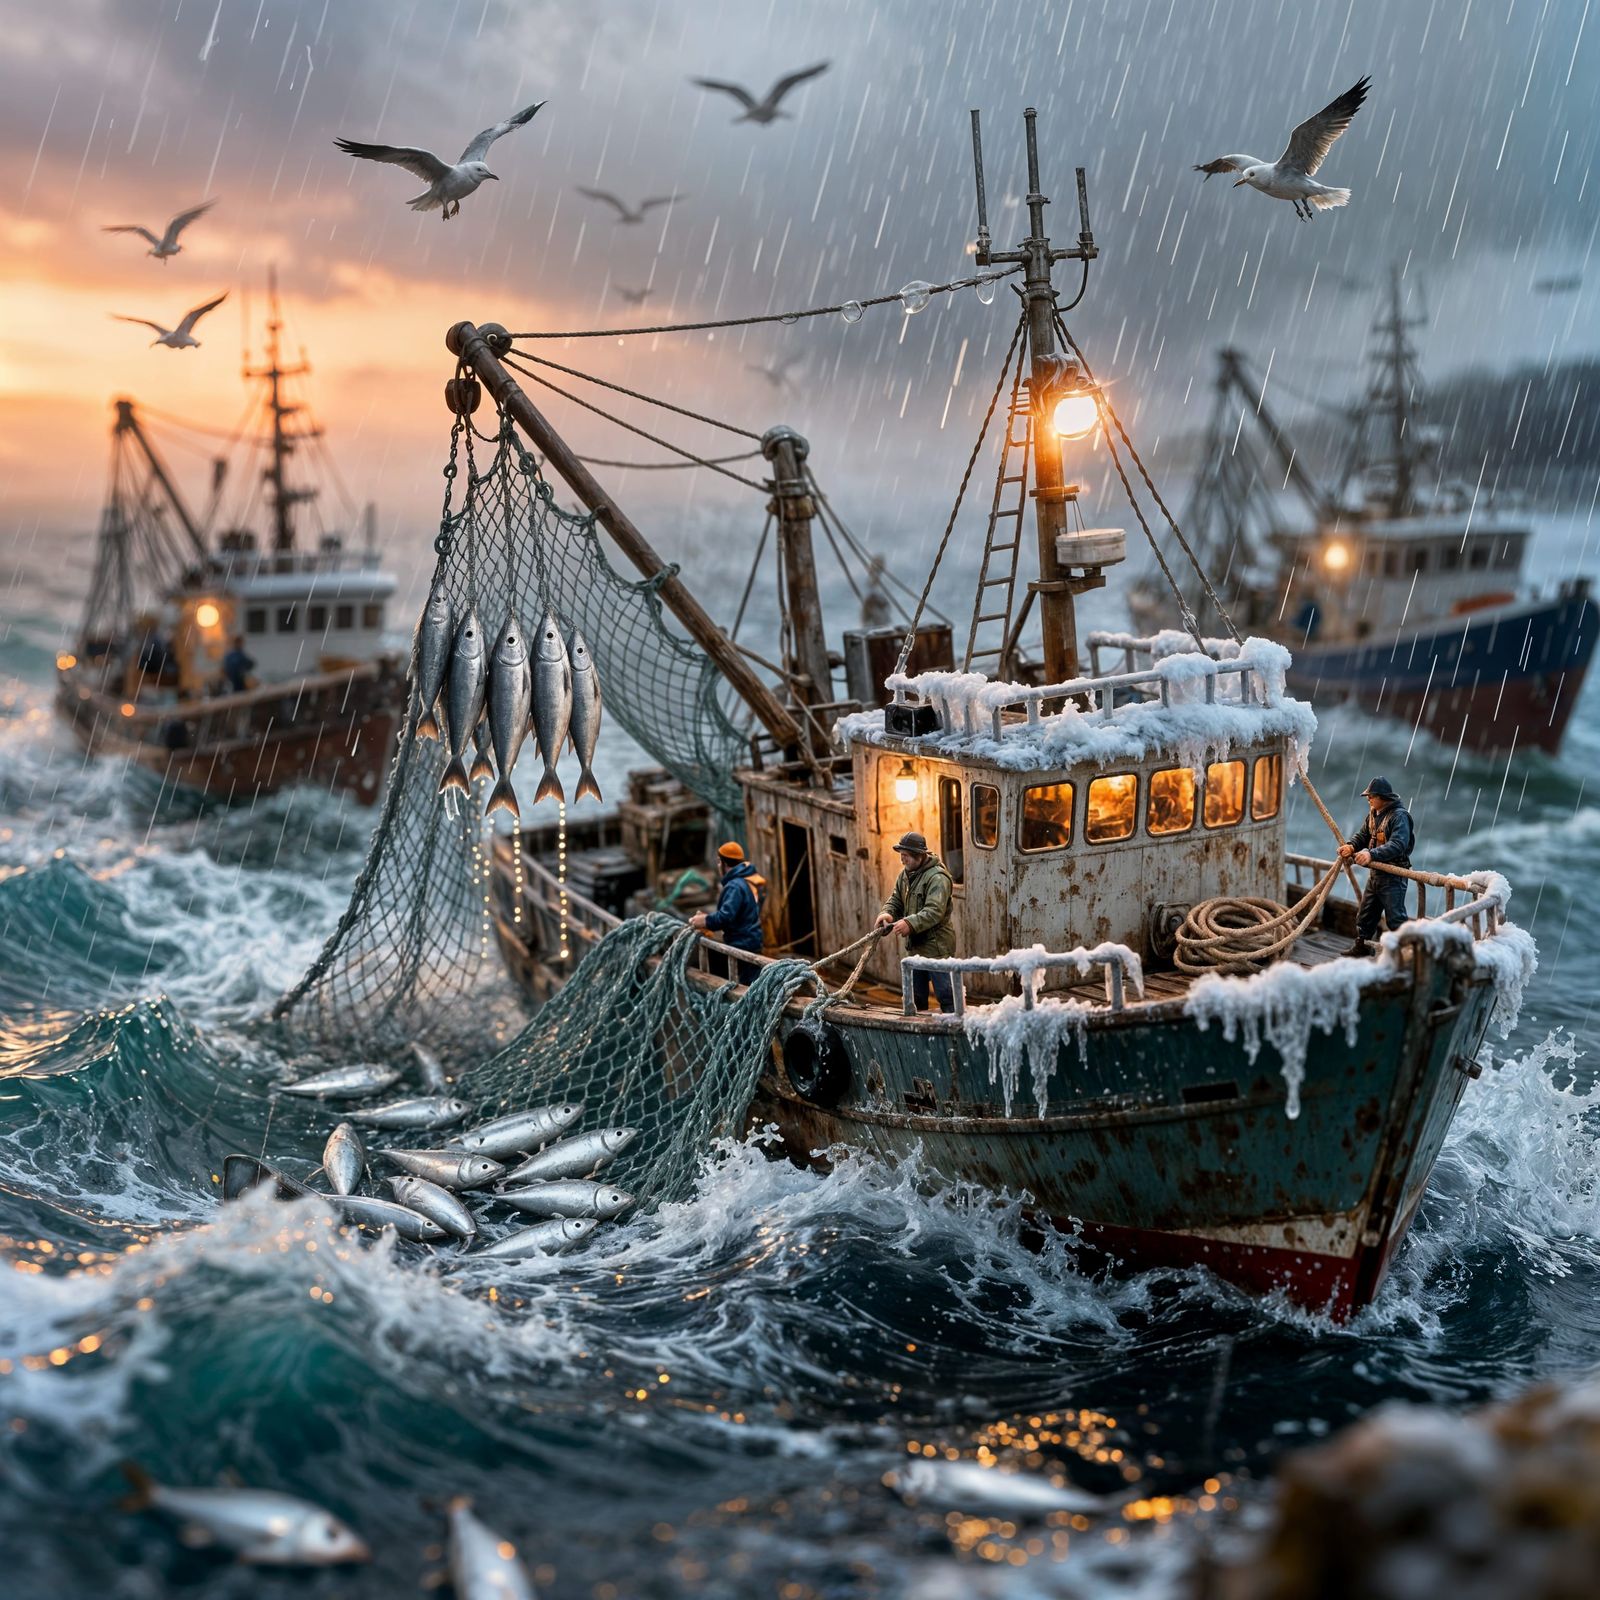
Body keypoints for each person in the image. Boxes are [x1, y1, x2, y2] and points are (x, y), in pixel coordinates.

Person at [875, 831, 956, 1012]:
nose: (902, 859)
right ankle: (915, 1026)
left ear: (919, 856)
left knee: (946, 995)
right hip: (916, 947)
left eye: (906, 855)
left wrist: (909, 924)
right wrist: (887, 914)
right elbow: (896, 900)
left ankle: (954, 1025)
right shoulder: (905, 875)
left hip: (937, 948)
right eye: (901, 854)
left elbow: (934, 911)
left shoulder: (938, 878)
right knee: (916, 997)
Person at [1338, 776, 1414, 956]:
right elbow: (1363, 835)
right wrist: (1351, 846)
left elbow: (1398, 845)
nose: (1368, 799)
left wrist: (1371, 854)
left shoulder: (1400, 817)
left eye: (1371, 796)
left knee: (1395, 918)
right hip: (1376, 874)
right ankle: (1361, 946)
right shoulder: (1373, 814)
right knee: (1366, 914)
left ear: (1382, 797)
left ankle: (1404, 954)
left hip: (1393, 876)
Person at [689, 842, 765, 983]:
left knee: (709, 970)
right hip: (752, 942)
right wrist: (706, 918)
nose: (718, 866)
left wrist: (704, 921)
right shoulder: (746, 881)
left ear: (724, 863)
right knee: (750, 982)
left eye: (719, 862)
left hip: (741, 946)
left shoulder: (734, 886)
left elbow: (726, 917)